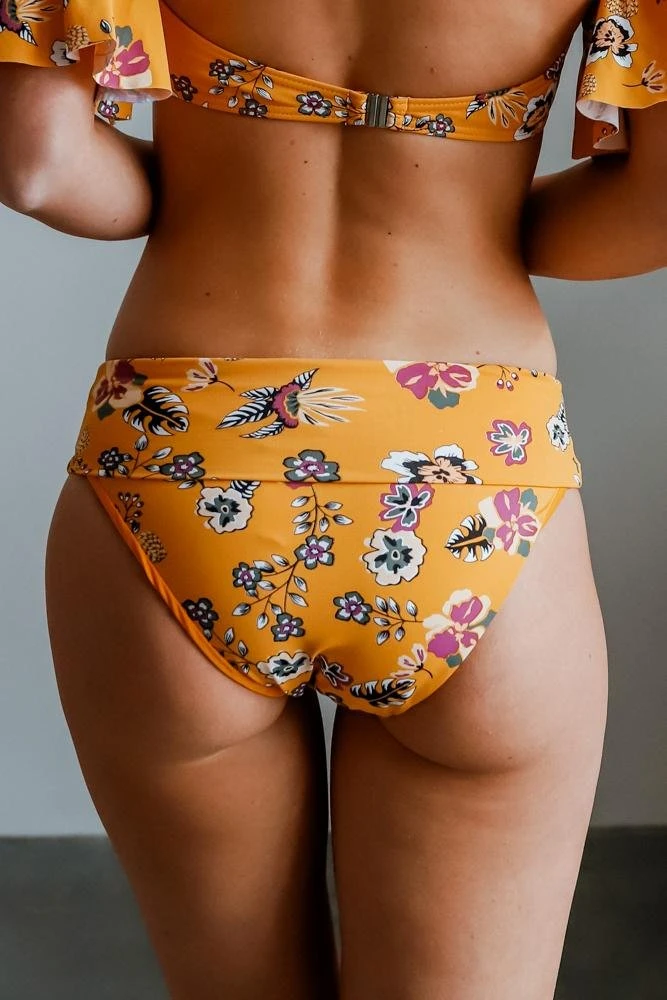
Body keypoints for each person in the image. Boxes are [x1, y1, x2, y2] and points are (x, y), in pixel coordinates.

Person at [1, 1, 663, 997]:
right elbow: (656, 205)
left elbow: (40, 163)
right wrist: (479, 218)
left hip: (183, 450)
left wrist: (199, 185)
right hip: (472, 469)